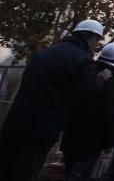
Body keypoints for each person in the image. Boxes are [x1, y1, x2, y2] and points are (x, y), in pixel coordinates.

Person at [0, 19, 105, 181]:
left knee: (6, 166)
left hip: (16, 121)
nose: (97, 44)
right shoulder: (82, 60)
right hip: (42, 127)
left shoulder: (44, 53)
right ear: (89, 37)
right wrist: (100, 78)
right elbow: (87, 93)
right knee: (27, 170)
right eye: (97, 40)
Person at [61, 42, 114, 181]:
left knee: (68, 171)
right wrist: (110, 140)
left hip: (71, 134)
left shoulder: (86, 70)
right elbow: (112, 113)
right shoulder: (113, 80)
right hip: (92, 139)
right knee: (80, 174)